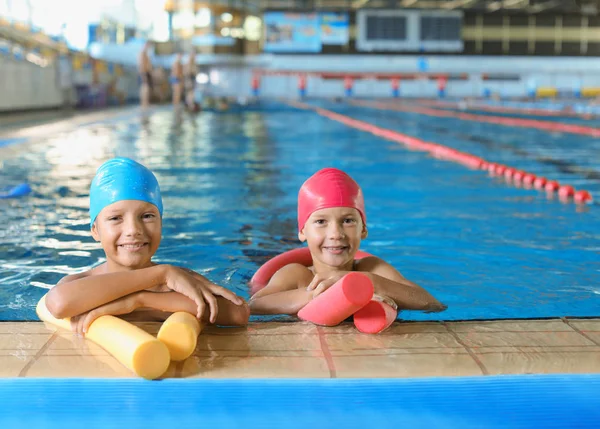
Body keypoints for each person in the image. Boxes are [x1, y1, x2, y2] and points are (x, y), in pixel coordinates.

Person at [46, 157, 249, 335]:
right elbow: (58, 303)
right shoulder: (82, 281)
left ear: (161, 222)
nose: (133, 229)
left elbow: (238, 312)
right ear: (95, 231)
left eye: (147, 216)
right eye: (116, 218)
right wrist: (161, 275)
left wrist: (140, 300)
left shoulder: (178, 279)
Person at [249, 167, 446, 316]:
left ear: (364, 229)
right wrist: (318, 295)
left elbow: (432, 304)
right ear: (302, 231)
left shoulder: (372, 268)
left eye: (348, 221)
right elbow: (255, 305)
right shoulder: (297, 274)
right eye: (321, 222)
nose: (336, 233)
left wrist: (370, 283)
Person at [138, 42, 153, 109]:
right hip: (144, 72)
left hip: (146, 72)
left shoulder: (146, 53)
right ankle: (144, 103)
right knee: (145, 88)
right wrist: (143, 74)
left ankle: (145, 103)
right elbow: (141, 65)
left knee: (146, 88)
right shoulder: (143, 53)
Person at [184, 47, 197, 111]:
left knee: (191, 94)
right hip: (190, 80)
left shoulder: (192, 62)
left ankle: (190, 106)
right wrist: (188, 81)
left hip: (191, 79)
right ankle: (190, 106)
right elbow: (187, 73)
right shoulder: (189, 63)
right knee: (190, 94)